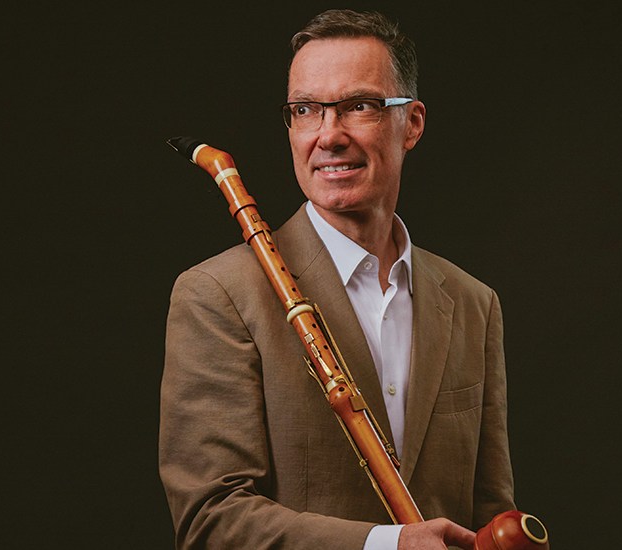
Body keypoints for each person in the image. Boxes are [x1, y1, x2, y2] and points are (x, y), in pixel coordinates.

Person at [160, 9, 515, 549]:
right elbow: (210, 521)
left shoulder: (473, 303)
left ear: (412, 123)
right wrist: (386, 545)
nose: (328, 136)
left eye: (359, 106)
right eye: (306, 110)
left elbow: (491, 517)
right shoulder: (219, 294)